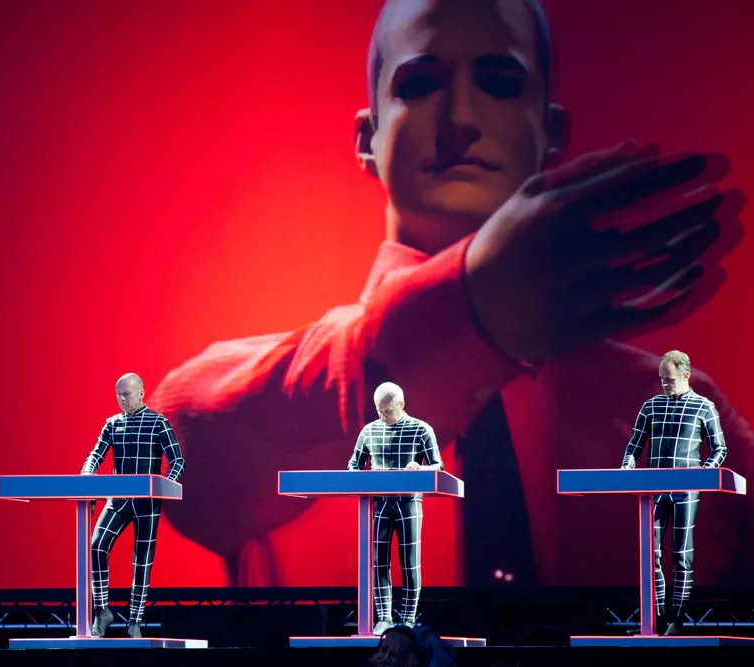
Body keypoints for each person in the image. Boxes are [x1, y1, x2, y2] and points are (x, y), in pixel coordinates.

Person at [147, 0, 751, 587]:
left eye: (500, 83)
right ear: (367, 138)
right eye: (420, 83)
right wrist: (468, 310)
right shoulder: (258, 398)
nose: (461, 117)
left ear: (553, 131)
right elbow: (180, 454)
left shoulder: (678, 415)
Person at [620, 350, 727, 635]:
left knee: (681, 556)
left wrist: (704, 472)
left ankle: (676, 622)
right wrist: (627, 466)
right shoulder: (651, 406)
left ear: (686, 376)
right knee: (651, 554)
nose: (664, 385)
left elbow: (720, 449)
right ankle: (654, 620)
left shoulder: (704, 407)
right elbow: (634, 446)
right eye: (661, 380)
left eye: (669, 380)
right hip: (653, 491)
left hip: (686, 491)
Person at [80, 373, 185, 638]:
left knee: (142, 562)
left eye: (126, 394)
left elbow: (177, 460)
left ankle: (134, 621)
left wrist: (166, 486)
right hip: (118, 499)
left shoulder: (158, 422)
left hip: (147, 503)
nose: (122, 399)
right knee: (96, 546)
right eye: (118, 394)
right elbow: (95, 454)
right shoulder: (112, 423)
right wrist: (86, 479)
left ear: (141, 393)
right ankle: (102, 611)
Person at [349, 382, 443, 634]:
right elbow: (353, 466)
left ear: (401, 404)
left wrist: (420, 468)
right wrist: (360, 480)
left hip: (409, 503)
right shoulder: (369, 431)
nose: (383, 416)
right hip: (380, 504)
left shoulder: (421, 429)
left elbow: (438, 466)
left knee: (409, 563)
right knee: (378, 562)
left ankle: (409, 618)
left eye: (388, 411)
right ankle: (384, 617)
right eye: (379, 411)